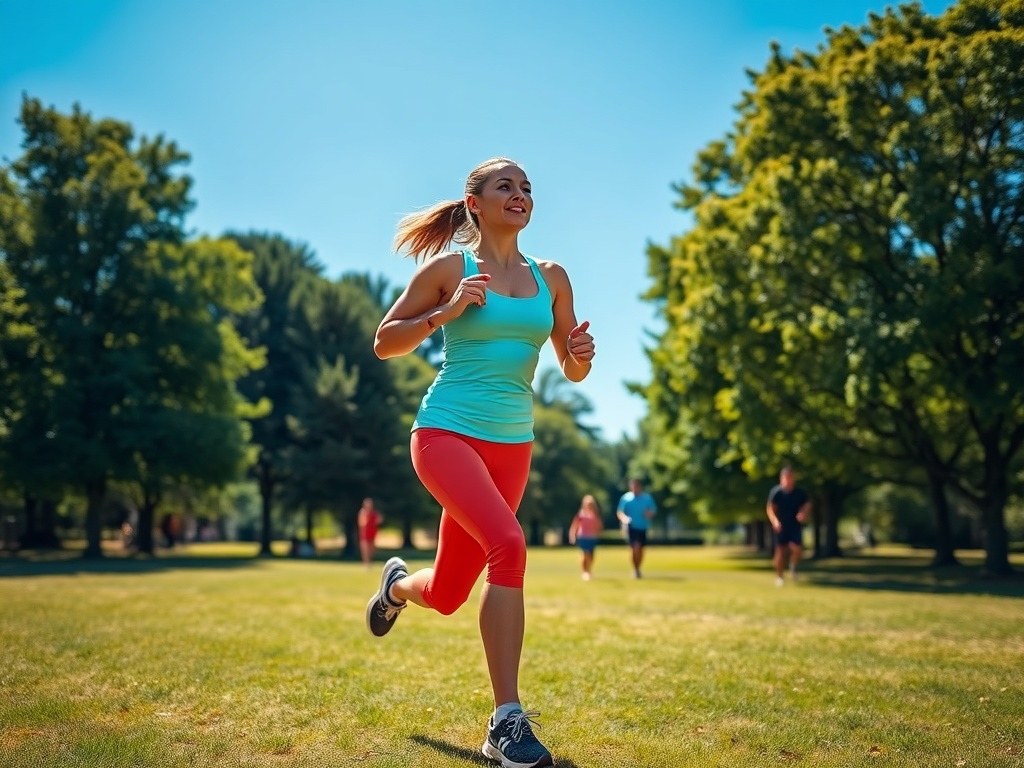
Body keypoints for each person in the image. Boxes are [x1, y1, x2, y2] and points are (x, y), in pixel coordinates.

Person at [364, 157, 595, 768]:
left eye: (526, 188)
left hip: (512, 445)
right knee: (509, 545)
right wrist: (444, 314)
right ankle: (505, 722)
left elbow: (572, 368)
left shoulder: (552, 277)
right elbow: (385, 341)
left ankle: (396, 587)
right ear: (475, 203)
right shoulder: (451, 269)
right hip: (445, 433)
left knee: (446, 594)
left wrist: (580, 354)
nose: (520, 195)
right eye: (505, 187)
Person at [766, 465, 811, 586]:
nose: (788, 479)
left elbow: (806, 505)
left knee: (797, 548)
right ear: (781, 478)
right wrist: (775, 521)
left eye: (790, 477)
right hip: (781, 526)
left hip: (794, 525)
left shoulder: (799, 493)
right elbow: (770, 509)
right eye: (786, 477)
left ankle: (793, 566)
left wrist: (803, 513)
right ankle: (779, 576)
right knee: (780, 551)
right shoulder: (776, 493)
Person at [616, 478, 656, 579]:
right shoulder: (626, 498)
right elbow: (620, 512)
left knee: (640, 549)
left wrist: (649, 513)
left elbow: (653, 510)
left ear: (640, 486)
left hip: (643, 526)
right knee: (635, 548)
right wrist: (624, 519)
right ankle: (635, 569)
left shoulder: (647, 498)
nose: (635, 488)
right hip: (631, 527)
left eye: (637, 486)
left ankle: (638, 568)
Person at [568, 494, 604, 580]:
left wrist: (599, 531)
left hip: (592, 537)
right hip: (582, 536)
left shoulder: (595, 515)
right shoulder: (581, 514)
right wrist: (572, 535)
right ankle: (585, 572)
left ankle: (589, 570)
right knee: (585, 554)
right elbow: (575, 525)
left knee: (591, 555)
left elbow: (599, 525)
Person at [357, 497, 383, 569]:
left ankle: (370, 562)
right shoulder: (363, 512)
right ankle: (366, 563)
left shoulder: (374, 513)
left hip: (372, 532)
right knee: (365, 549)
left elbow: (379, 520)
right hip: (365, 533)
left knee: (372, 549)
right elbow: (361, 523)